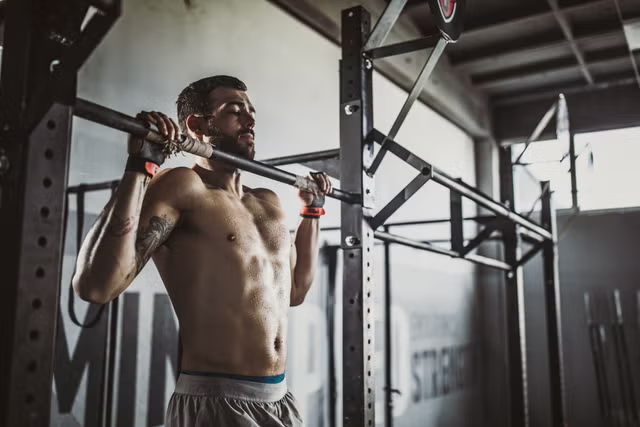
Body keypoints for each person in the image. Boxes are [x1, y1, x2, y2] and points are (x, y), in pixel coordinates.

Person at [72, 75, 332, 426]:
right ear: (197, 125)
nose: (250, 120)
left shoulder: (268, 202)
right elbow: (95, 286)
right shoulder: (183, 186)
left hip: (280, 399)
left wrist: (312, 212)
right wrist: (140, 168)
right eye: (235, 111)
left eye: (251, 112)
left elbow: (296, 292)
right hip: (217, 401)